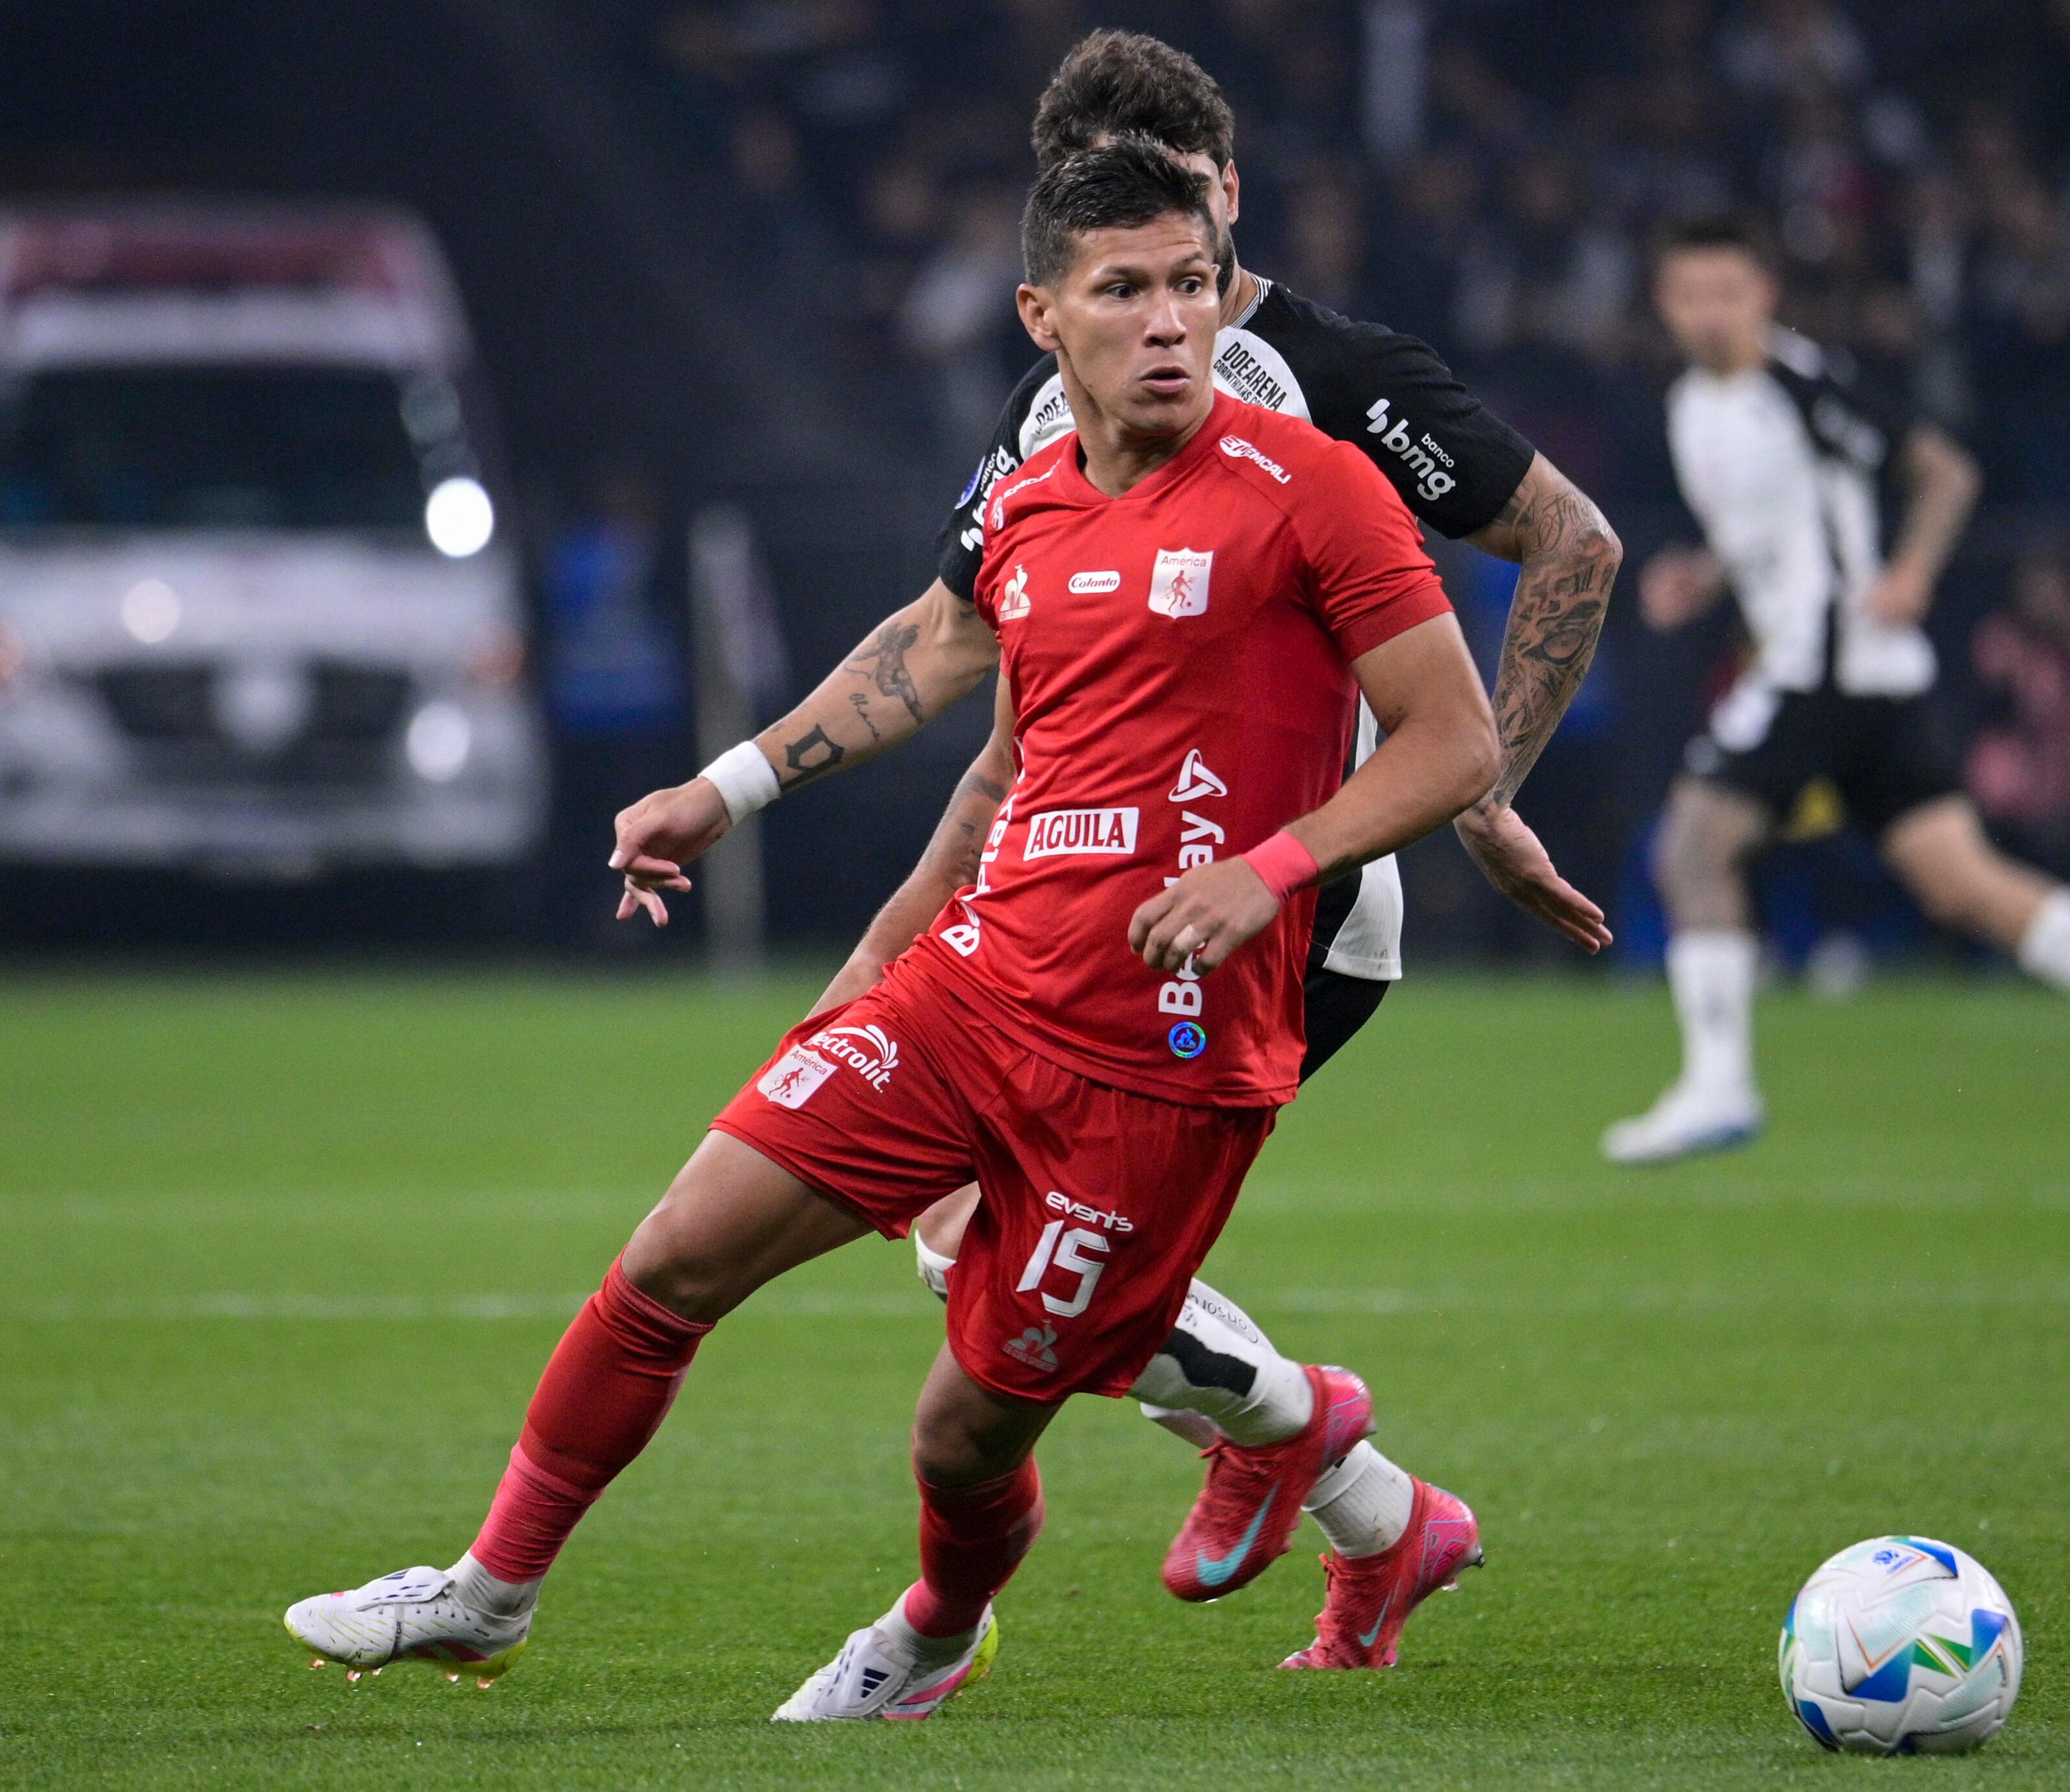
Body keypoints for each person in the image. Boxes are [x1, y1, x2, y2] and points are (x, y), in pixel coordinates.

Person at [284, 143, 1501, 1715]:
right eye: (1124, 289)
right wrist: (734, 803)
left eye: (1192, 285)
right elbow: (979, 726)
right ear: (1041, 317)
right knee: (673, 1254)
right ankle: (487, 1590)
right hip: (972, 995)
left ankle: (934, 1631)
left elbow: (1452, 741)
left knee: (960, 1432)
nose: (1168, 321)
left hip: (1161, 1064)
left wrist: (1269, 867)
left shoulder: (1312, 487)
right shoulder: (1032, 506)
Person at [609, 32, 1621, 1658]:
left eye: (1192, 215)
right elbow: (996, 701)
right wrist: (871, 915)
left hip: (1281, 905)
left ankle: (1286, 1448)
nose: (1170, 286)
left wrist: (1489, 788)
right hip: (1083, 891)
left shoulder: (1338, 378)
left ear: (1232, 195)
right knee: (986, 1246)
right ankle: (1369, 1506)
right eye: (1117, 223)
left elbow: (1571, 536)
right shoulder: (1059, 406)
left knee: (1013, 1247)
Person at [1605, 216, 2070, 1165]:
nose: (1710, 312)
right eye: (1691, 295)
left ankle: (1719, 1083)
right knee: (1959, 880)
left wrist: (1914, 573)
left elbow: (1946, 473)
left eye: (1728, 291)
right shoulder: (1691, 405)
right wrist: (1705, 575)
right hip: (1865, 678)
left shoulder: (1805, 387)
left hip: (1828, 666)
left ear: (1764, 294)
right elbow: (1773, 525)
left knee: (1692, 844)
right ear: (1665, 304)